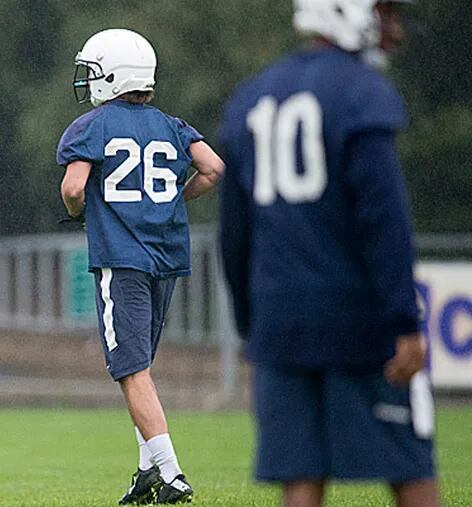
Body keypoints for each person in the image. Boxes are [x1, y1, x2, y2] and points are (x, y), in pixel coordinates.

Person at [218, 1, 441, 506]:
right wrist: (404, 319)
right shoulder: (361, 91)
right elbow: (383, 221)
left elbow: (235, 233)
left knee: (300, 476)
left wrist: (252, 322)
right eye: (385, 13)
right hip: (357, 317)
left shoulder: (252, 95)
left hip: (280, 319)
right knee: (410, 467)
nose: (395, 29)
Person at [57, 28, 224, 505]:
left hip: (121, 258)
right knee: (140, 368)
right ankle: (148, 469)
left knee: (130, 369)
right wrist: (173, 198)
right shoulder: (172, 125)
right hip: (165, 257)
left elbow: (73, 188)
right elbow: (213, 168)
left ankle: (171, 473)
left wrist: (79, 211)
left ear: (111, 76)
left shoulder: (92, 126)